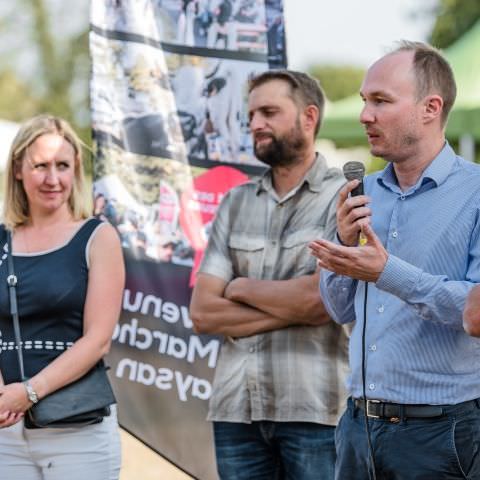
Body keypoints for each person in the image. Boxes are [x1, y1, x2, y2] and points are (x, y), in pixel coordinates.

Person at [311, 41, 480, 479]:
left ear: (431, 107)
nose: (366, 114)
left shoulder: (476, 194)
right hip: (356, 427)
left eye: (381, 101)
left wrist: (388, 273)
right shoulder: (360, 192)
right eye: (365, 101)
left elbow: (476, 313)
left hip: (441, 432)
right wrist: (342, 255)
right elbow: (339, 309)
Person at [190, 70, 349, 480]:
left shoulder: (344, 200)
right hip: (235, 410)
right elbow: (204, 313)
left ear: (309, 117)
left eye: (269, 112)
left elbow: (322, 300)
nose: (256, 123)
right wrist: (298, 305)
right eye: (251, 114)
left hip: (315, 410)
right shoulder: (235, 203)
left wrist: (239, 287)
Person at [0, 114, 125, 479]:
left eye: (62, 166)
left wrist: (29, 392)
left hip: (77, 430)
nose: (52, 179)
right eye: (40, 166)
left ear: (76, 171)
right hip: (7, 430)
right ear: (19, 170)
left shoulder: (97, 237)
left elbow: (98, 340)